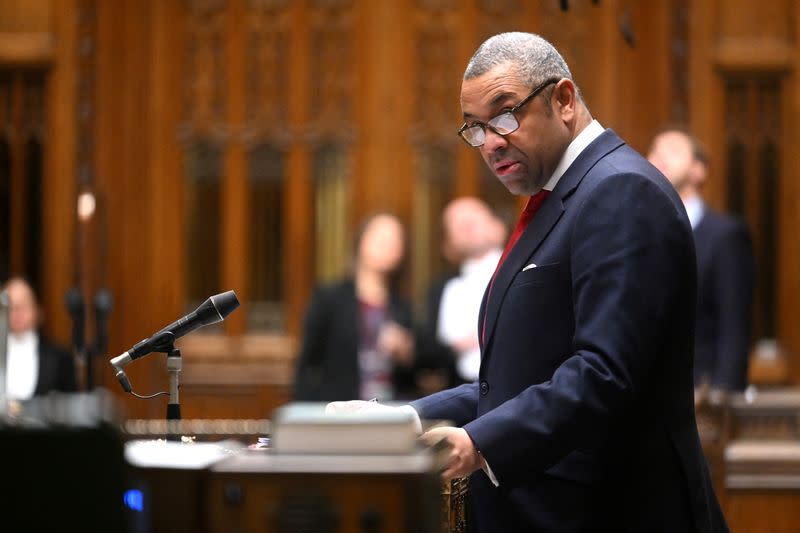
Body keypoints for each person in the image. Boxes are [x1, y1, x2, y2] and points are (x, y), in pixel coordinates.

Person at [329, 32, 727, 532]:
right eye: (475, 128)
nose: (491, 142)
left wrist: (478, 443)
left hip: (612, 512)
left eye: (504, 115)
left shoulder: (620, 190)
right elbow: (518, 381)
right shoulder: (564, 197)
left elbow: (605, 373)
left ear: (563, 99)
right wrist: (407, 417)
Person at [648, 129, 754, 392]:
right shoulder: (636, 232)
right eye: (653, 150)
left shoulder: (725, 235)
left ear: (699, 170)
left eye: (672, 149)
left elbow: (734, 325)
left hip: (701, 393)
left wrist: (722, 395)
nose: (659, 155)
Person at [293, 212, 418, 402]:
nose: (388, 244)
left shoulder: (403, 306)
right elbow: (307, 365)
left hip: (390, 413)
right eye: (381, 237)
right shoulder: (330, 299)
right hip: (340, 415)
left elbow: (420, 367)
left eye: (395, 240)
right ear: (361, 241)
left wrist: (406, 351)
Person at [434, 197, 505, 383]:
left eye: (473, 221)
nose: (467, 227)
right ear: (449, 245)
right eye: (458, 225)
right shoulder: (450, 290)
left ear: (498, 227)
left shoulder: (523, 271)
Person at [3, 276, 77, 399]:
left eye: (22, 306)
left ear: (36, 310)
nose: (16, 313)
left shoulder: (59, 357)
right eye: (10, 307)